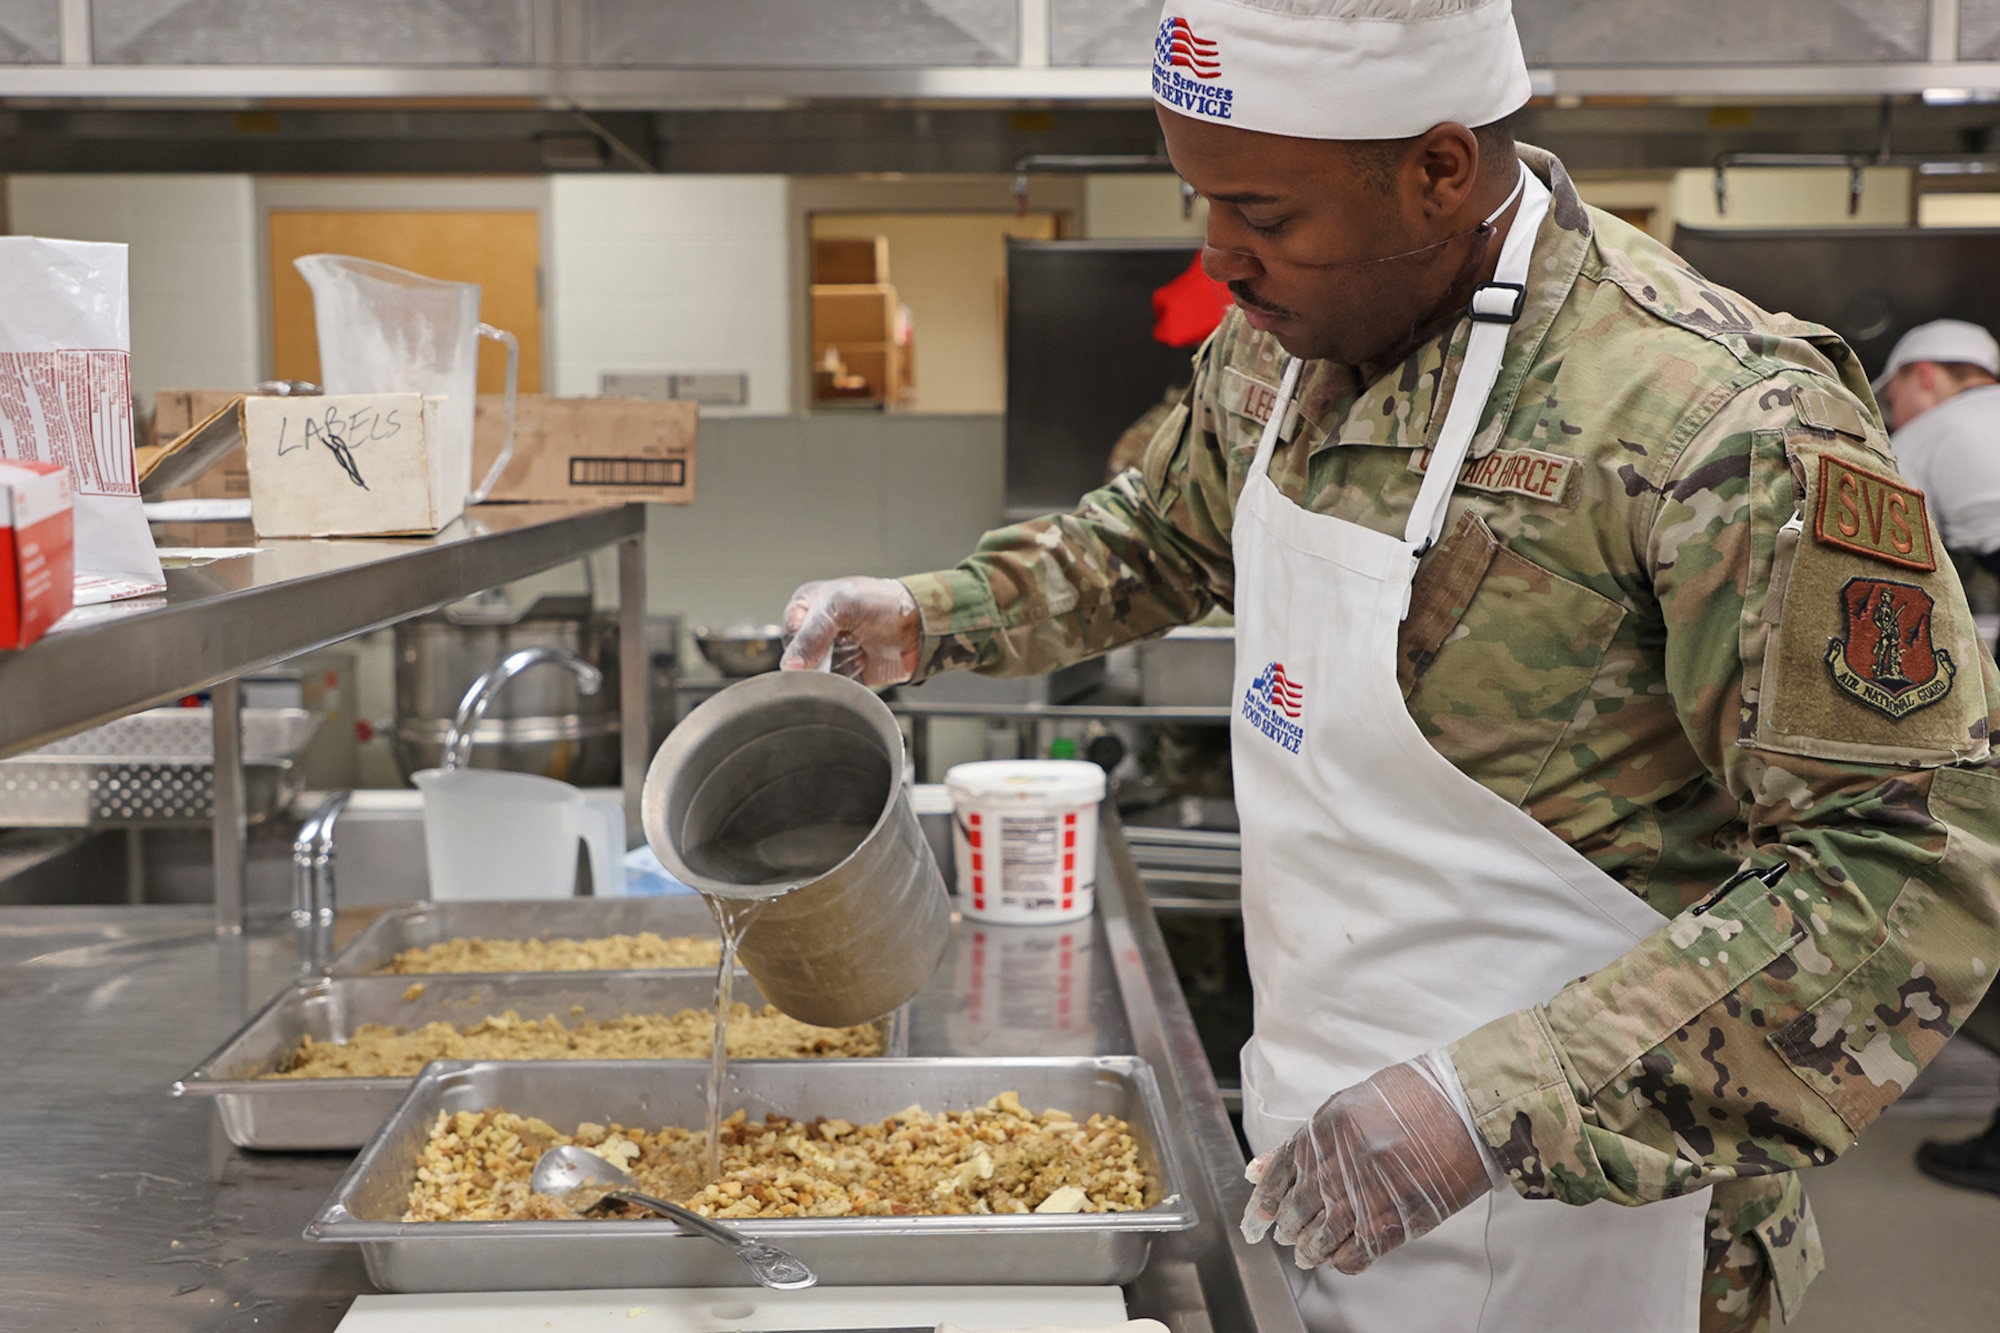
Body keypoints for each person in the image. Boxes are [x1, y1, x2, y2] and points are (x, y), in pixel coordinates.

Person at [781, 3, 2000, 1330]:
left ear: (1437, 168)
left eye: (1267, 214)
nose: (1223, 259)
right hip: (1320, 1141)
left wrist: (1491, 1104)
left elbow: (1902, 874)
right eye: (1202, 202)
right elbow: (1155, 532)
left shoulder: (1713, 418)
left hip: (1607, 1218)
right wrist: (923, 614)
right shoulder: (1280, 346)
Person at [1874, 319, 2000, 576]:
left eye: (1891, 401)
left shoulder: (1918, 436)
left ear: (1923, 375)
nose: (1893, 421)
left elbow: (1900, 558)